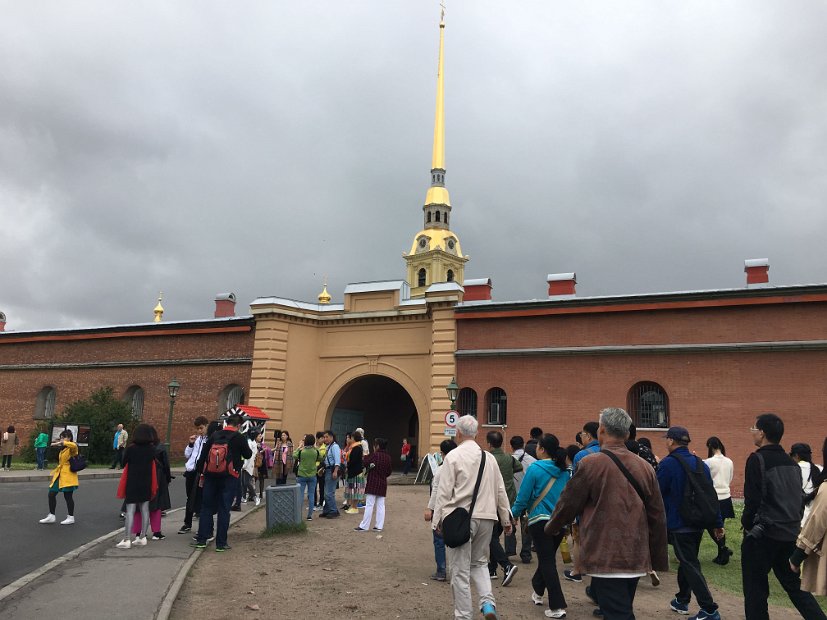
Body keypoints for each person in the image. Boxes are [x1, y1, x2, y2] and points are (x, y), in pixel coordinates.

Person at [546, 407, 669, 620]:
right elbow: (657, 516)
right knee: (620, 609)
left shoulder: (590, 464)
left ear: (601, 430)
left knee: (618, 614)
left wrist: (552, 527)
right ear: (628, 434)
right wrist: (656, 558)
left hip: (605, 554)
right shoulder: (645, 467)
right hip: (636, 555)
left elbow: (568, 503)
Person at [742, 413, 826, 620]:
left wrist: (747, 524)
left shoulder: (757, 459)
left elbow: (752, 500)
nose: (752, 432)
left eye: (754, 428)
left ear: (762, 433)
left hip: (762, 536)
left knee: (756, 591)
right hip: (788, 534)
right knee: (795, 587)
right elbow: (798, 499)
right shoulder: (792, 464)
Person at [432, 415, 513, 620]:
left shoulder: (453, 456)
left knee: (459, 571)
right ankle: (487, 604)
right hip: (487, 517)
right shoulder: (489, 458)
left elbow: (444, 492)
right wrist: (506, 518)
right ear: (477, 433)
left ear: (458, 433)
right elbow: (500, 491)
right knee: (479, 563)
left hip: (460, 518)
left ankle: (464, 616)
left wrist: (437, 521)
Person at [657, 426, 723, 620]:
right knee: (688, 561)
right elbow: (710, 495)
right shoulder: (700, 463)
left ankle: (709, 609)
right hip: (698, 523)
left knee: (690, 564)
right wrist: (717, 523)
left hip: (679, 523)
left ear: (671, 441)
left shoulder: (668, 464)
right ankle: (682, 600)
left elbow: (656, 493)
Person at [511, 433, 571, 619]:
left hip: (539, 521)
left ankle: (557, 606)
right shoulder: (564, 471)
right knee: (547, 559)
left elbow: (523, 497)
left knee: (547, 561)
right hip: (559, 523)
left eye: (538, 446)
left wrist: (512, 515)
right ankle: (537, 591)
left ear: (542, 449)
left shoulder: (535, 468)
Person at [192, 410, 253, 551]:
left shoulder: (215, 435)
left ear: (227, 423)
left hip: (210, 476)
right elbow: (248, 454)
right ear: (238, 425)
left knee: (206, 508)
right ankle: (221, 543)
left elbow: (203, 454)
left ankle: (201, 539)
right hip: (229, 477)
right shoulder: (239, 437)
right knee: (224, 509)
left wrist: (202, 473)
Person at [563, 420, 600, 584]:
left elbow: (576, 484)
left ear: (588, 436)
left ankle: (577, 570)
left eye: (583, 434)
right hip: (605, 505)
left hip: (585, 505)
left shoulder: (582, 455)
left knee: (578, 538)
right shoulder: (608, 451)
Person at [789, 438, 827, 597]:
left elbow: (818, 521)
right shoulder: (817, 469)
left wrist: (796, 558)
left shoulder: (792, 469)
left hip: (801, 518)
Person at [486, 430, 521, 585]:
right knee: (495, 536)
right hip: (509, 501)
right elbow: (519, 467)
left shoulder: (488, 458)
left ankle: (507, 565)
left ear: (489, 444)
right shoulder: (509, 458)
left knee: (490, 537)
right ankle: (492, 569)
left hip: (493, 502)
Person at [115, 423, 157, 548]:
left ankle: (127, 539)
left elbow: (123, 462)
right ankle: (142, 537)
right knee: (145, 509)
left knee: (130, 511)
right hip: (146, 482)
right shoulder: (151, 449)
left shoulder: (131, 449)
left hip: (133, 482)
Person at [128, 425, 172, 542]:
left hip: (137, 478)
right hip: (157, 478)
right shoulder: (159, 448)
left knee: (138, 506)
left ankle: (138, 533)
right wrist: (167, 478)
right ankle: (156, 532)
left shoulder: (134, 447)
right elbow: (166, 465)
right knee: (155, 506)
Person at [425, 438, 458, 581]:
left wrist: (430, 509)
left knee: (439, 541)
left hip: (443, 510)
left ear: (442, 454)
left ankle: (441, 570)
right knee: (457, 542)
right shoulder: (462, 467)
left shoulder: (440, 470)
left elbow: (435, 491)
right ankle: (458, 571)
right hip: (459, 510)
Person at [704, 436, 735, 565]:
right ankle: (722, 552)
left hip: (714, 497)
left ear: (710, 447)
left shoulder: (708, 462)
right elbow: (730, 477)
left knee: (711, 525)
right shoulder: (729, 461)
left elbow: (705, 480)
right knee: (720, 525)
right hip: (726, 496)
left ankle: (723, 549)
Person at [39, 429, 79, 525]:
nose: (62, 440)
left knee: (68, 496)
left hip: (68, 475)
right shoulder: (64, 448)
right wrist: (60, 443)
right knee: (51, 493)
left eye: (64, 437)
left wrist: (60, 443)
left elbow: (74, 445)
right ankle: (51, 515)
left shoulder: (72, 447)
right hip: (60, 474)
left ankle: (71, 517)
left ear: (69, 438)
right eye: (61, 437)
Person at [178, 415, 209, 534]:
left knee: (200, 498)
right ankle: (187, 523)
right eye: (197, 429)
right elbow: (187, 455)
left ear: (206, 426)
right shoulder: (196, 439)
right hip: (191, 471)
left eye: (201, 428)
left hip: (201, 472)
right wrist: (190, 444)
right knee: (189, 497)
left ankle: (201, 526)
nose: (199, 431)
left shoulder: (209, 439)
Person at [355, 437, 393, 532]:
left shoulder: (374, 455)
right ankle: (379, 526)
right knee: (381, 505)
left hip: (372, 483)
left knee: (369, 505)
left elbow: (364, 462)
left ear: (377, 446)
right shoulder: (388, 457)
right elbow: (389, 472)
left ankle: (364, 526)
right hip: (383, 483)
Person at [510, 435, 536, 564]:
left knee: (510, 521)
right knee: (527, 525)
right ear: (523, 444)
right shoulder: (532, 460)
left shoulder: (510, 459)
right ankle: (526, 554)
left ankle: (509, 549)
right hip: (528, 497)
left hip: (513, 497)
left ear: (511, 446)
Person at [790, 442, 824, 527]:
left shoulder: (791, 470)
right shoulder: (820, 469)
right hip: (817, 520)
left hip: (796, 521)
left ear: (796, 456)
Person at [294, 434, 320, 520]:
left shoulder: (302, 451)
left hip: (301, 474)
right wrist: (315, 448)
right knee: (311, 494)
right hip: (312, 475)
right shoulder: (315, 451)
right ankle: (309, 515)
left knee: (300, 495)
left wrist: (299, 447)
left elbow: (294, 455)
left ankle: (299, 514)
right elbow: (321, 458)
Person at [319, 430, 342, 519]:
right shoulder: (329, 447)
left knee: (329, 493)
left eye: (327, 437)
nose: (325, 439)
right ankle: (327, 510)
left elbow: (337, 460)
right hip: (328, 470)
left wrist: (335, 471)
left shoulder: (335, 447)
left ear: (332, 437)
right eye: (324, 437)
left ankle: (333, 510)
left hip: (332, 470)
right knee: (326, 492)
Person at [254, 432, 272, 503]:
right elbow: (255, 453)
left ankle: (261, 493)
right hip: (255, 464)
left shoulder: (263, 445)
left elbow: (269, 451)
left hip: (262, 464)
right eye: (259, 436)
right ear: (255, 437)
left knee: (262, 479)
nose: (260, 437)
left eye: (261, 436)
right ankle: (252, 494)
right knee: (254, 479)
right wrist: (262, 451)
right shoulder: (253, 444)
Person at [314, 431, 327, 511]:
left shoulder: (324, 447)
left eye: (324, 438)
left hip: (321, 469)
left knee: (321, 487)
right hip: (313, 469)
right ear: (317, 439)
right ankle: (314, 503)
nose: (323, 439)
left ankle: (321, 503)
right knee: (313, 488)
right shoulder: (313, 446)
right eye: (321, 438)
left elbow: (322, 457)